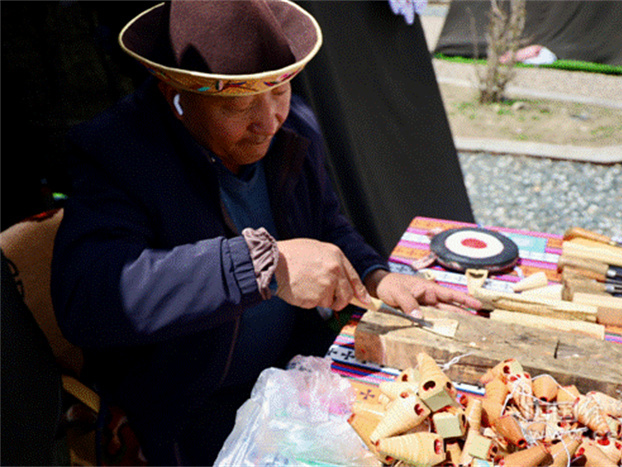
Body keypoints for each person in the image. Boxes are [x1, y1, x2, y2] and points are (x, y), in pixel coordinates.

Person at [50, 1, 481, 464]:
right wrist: (264, 266)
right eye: (237, 104)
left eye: (280, 90)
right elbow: (89, 296)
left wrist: (377, 275)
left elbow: (325, 223)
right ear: (174, 94)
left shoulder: (294, 128)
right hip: (182, 414)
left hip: (288, 381)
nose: (269, 120)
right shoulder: (118, 154)